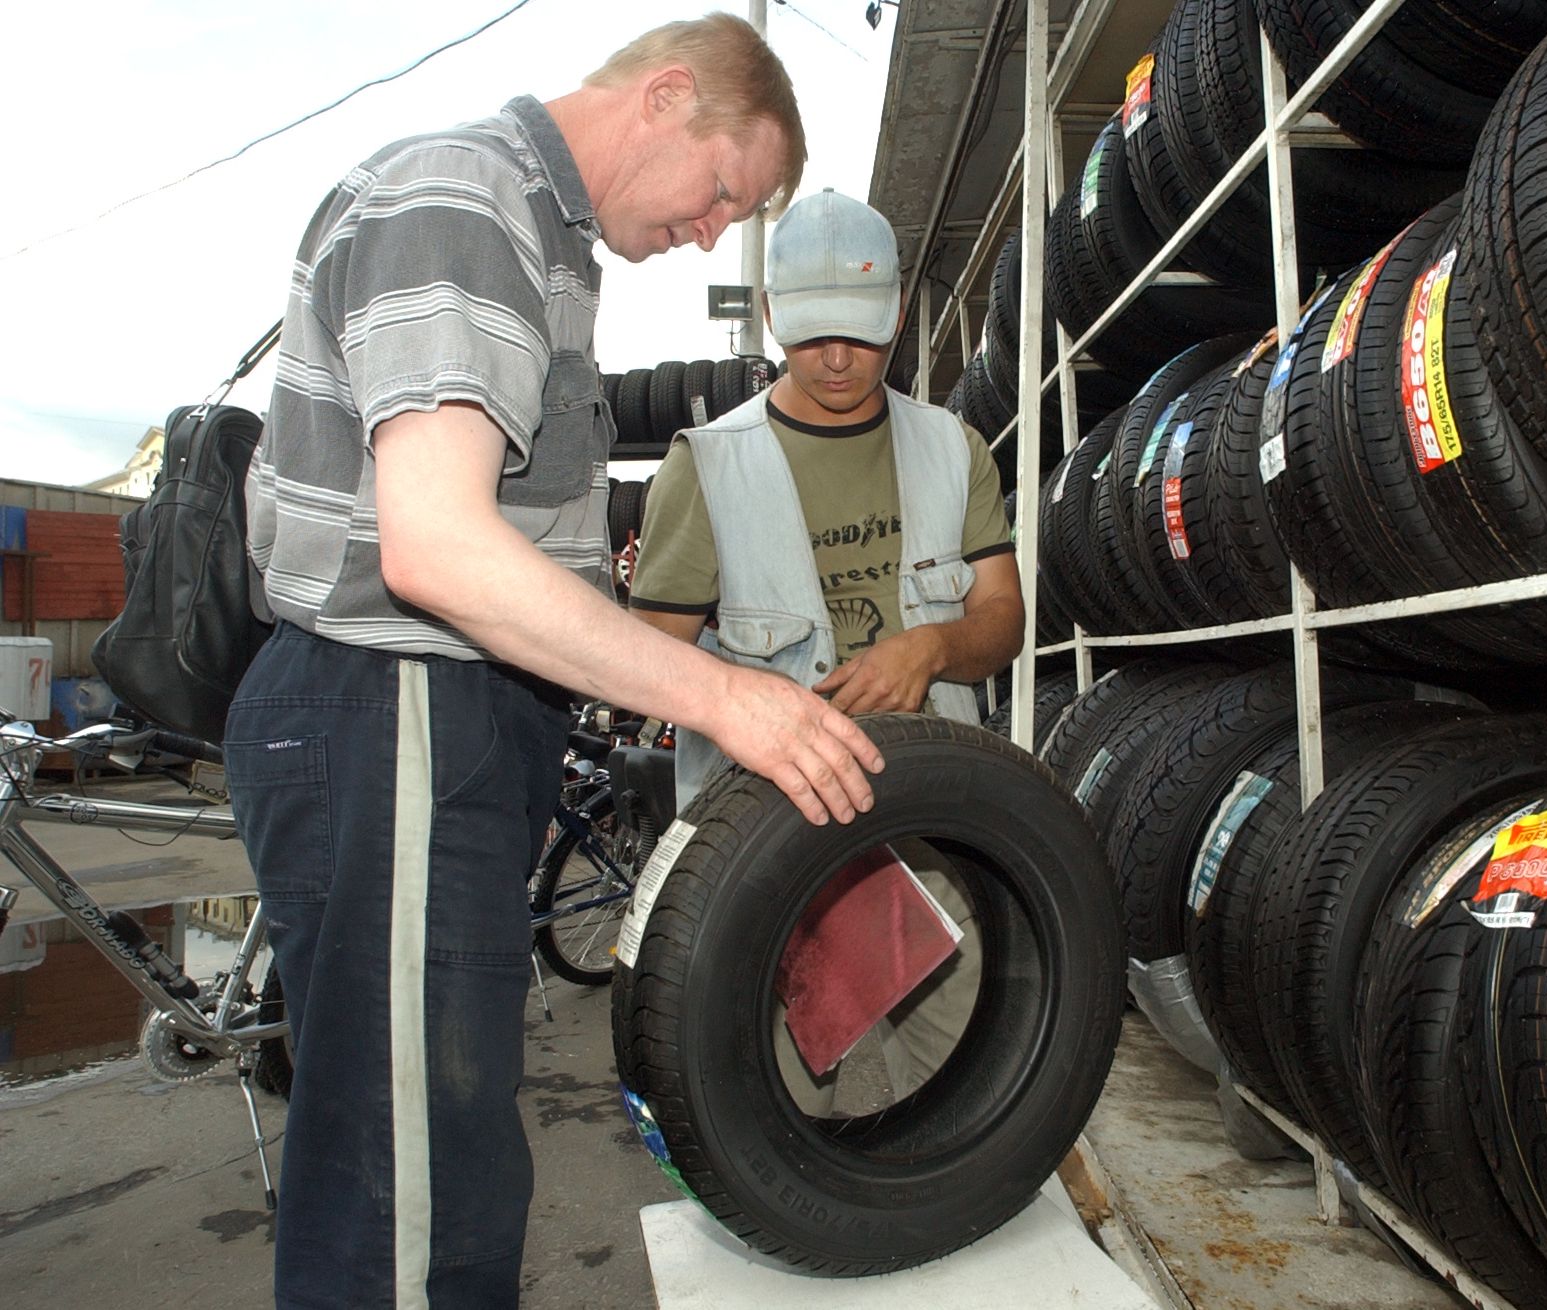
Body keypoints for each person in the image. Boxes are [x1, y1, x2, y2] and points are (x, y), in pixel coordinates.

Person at [224, 16, 883, 1309]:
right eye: (720, 195)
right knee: (403, 1202)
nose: (707, 232)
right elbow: (436, 547)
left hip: (439, 724)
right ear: (667, 100)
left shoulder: (536, 241)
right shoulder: (467, 200)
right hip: (394, 701)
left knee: (446, 1158)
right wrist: (722, 696)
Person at [628, 188, 1024, 1111]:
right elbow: (650, 661)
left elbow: (1001, 619)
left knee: (964, 1100)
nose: (837, 359)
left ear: (894, 318)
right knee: (768, 1121)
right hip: (766, 854)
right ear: (769, 315)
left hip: (933, 845)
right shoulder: (708, 465)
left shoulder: (952, 449)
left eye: (860, 333)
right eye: (810, 336)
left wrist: (928, 648)